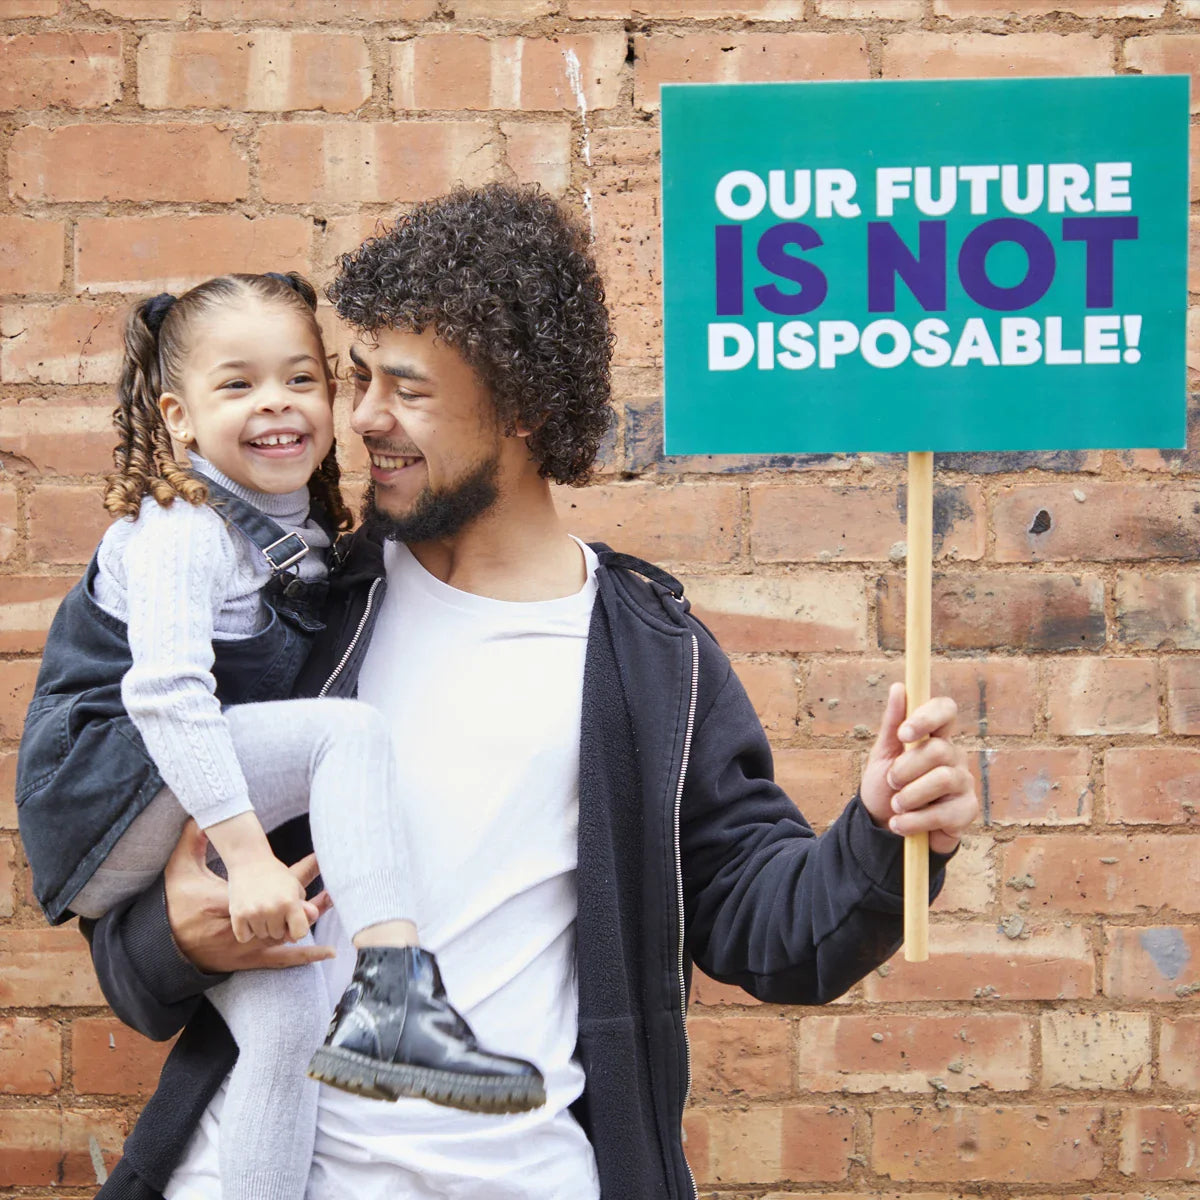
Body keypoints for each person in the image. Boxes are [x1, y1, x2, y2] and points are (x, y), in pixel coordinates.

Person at [82, 185, 978, 1200]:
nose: (363, 416)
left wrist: (883, 834)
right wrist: (171, 938)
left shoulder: (651, 659)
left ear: (522, 409)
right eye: (361, 374)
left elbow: (771, 934)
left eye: (407, 389)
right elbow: (132, 894)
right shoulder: (301, 606)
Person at [14, 271, 545, 1200]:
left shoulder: (290, 527)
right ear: (178, 418)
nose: (276, 404)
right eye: (239, 385)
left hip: (150, 805)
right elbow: (169, 695)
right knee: (345, 736)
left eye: (301, 379)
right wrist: (249, 857)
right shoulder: (184, 525)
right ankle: (394, 991)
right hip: (108, 784)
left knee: (290, 1019)